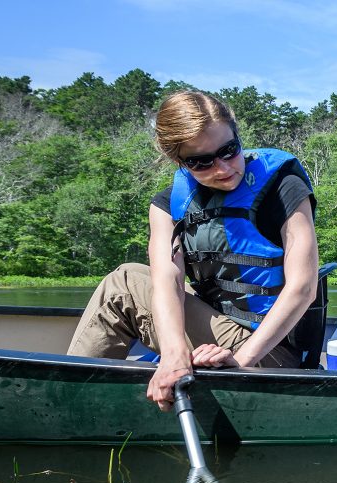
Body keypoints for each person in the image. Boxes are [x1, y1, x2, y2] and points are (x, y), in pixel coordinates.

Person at [67, 90, 323, 411]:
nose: (223, 168)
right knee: (138, 280)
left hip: (269, 354)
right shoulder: (166, 205)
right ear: (178, 161)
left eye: (229, 151)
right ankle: (87, 403)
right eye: (201, 162)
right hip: (222, 331)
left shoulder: (283, 187)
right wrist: (174, 357)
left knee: (123, 285)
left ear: (237, 136)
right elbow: (168, 282)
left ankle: (68, 404)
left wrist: (241, 361)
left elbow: (303, 287)